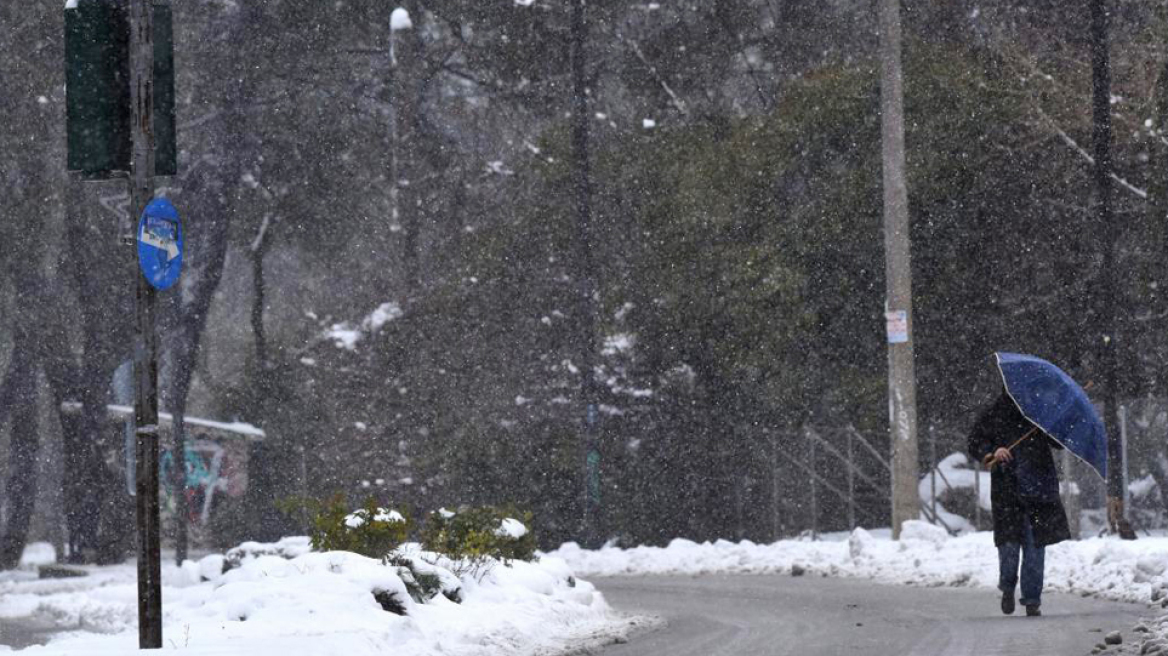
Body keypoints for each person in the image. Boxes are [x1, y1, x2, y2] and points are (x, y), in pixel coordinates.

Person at [968, 391, 1071, 617]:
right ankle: (1007, 587)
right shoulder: (994, 413)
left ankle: (1032, 600)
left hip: (1038, 493)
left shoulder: (1040, 414)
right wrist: (992, 452)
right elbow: (975, 440)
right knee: (1009, 547)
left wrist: (1052, 425)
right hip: (1007, 493)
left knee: (1035, 547)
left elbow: (1058, 443)